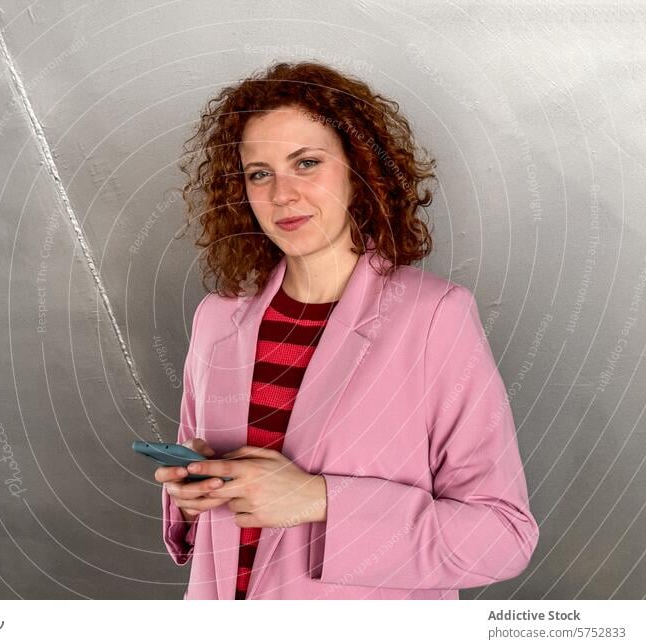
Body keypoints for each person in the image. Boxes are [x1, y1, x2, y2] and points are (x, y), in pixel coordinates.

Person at [155, 61, 539, 600]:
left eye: (306, 163)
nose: (281, 194)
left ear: (360, 174)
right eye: (259, 172)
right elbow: (206, 503)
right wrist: (193, 493)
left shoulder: (434, 316)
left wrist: (317, 499)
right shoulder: (216, 319)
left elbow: (502, 536)